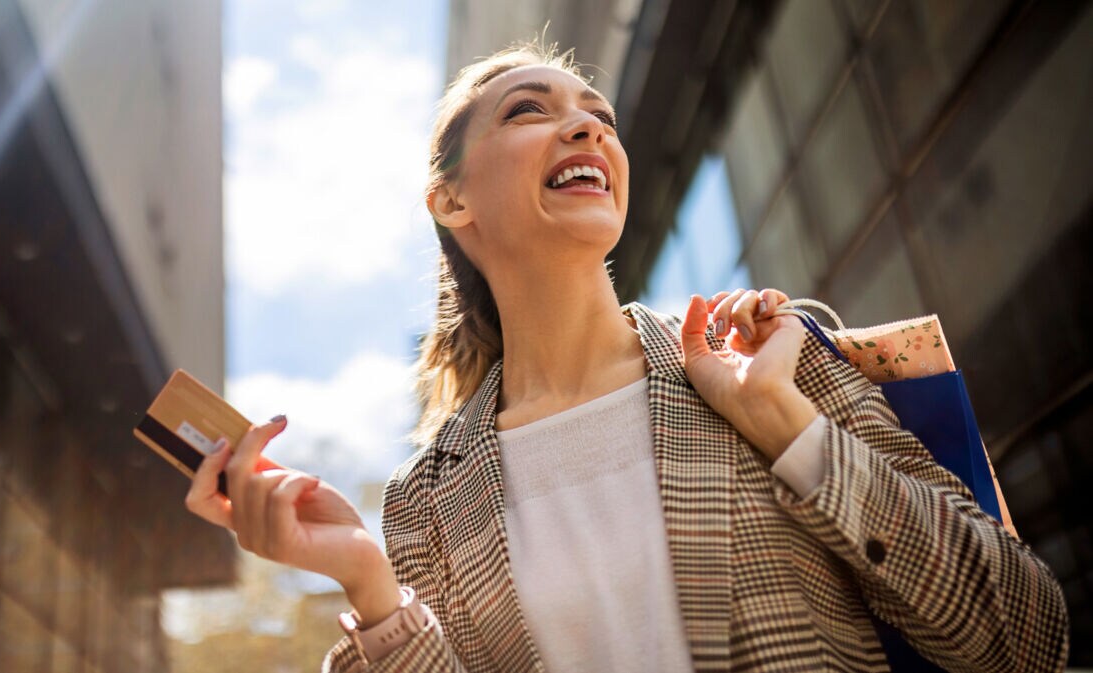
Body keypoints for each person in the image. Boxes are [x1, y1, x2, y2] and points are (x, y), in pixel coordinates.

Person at [184, 43, 1069, 672]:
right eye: (531, 111)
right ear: (452, 200)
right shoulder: (428, 501)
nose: (588, 132)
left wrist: (787, 426)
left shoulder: (766, 356)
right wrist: (373, 590)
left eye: (599, 118)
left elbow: (1021, 638)